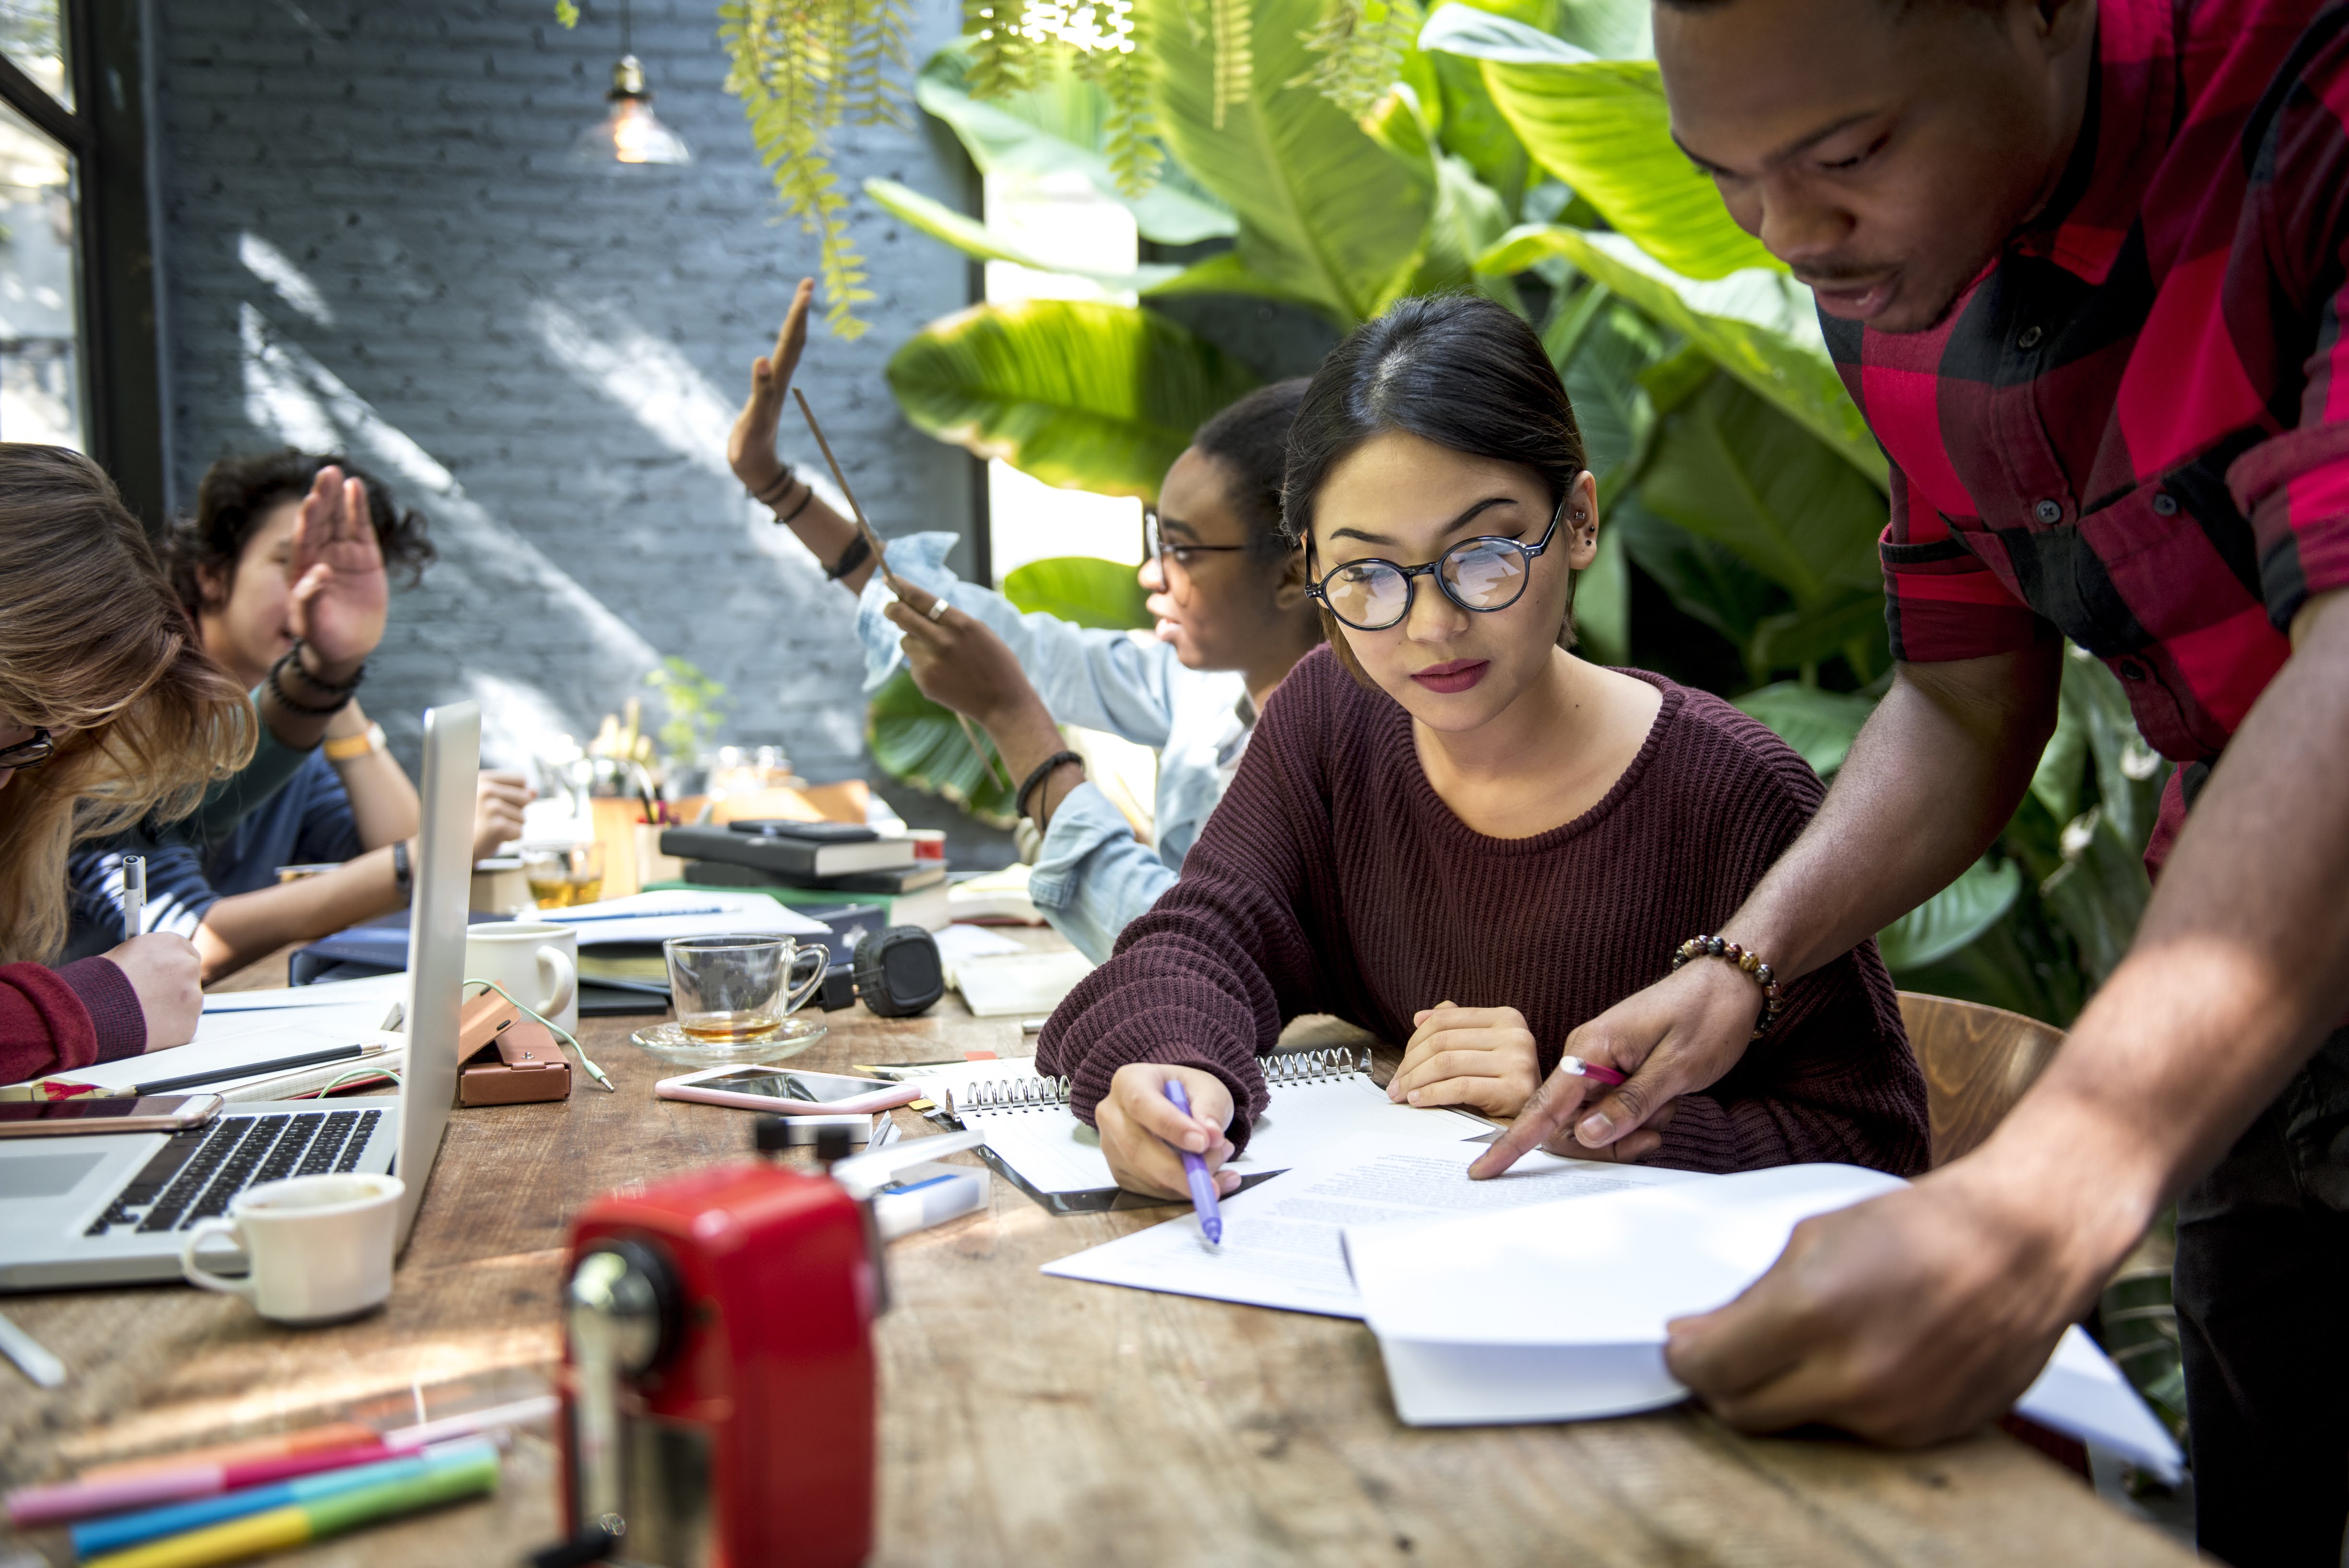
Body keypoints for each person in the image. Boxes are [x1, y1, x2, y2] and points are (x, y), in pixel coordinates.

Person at [1463, 1, 2349, 1559]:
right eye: (1723, 173)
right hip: (2237, 968)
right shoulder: (1891, 273)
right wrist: (1740, 960)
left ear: (2040, 16)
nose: (1787, 230)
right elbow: (1956, 698)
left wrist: (2045, 1190)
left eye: (1845, 155)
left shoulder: (2307, 95)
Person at [1029, 295, 1927, 1200]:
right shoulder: (1332, 716)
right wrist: (1174, 1073)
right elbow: (1201, 939)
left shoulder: (1729, 792)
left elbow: (1874, 1143)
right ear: (1311, 569)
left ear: (1577, 520)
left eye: (1485, 552)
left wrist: (1576, 1118)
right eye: (1367, 573)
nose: (1431, 624)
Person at [727, 279, 1324, 962]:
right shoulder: (1208, 692)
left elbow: (1190, 953)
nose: (1151, 574)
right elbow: (1002, 638)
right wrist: (776, 484)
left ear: (1289, 573)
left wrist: (1016, 721)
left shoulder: (1345, 758)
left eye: (1182, 550)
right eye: (1159, 542)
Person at [61, 452, 529, 983]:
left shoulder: (292, 729)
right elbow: (186, 938)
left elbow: (388, 857)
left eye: (343, 572)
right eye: (292, 564)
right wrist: (432, 852)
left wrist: (334, 677)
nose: (316, 591)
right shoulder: (120, 716)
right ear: (213, 575)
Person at [0, 445, 382, 1084]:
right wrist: (91, 1007)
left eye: (38, 742)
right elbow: (188, 906)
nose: (14, 774)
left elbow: (182, 798)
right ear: (211, 574)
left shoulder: (57, 763)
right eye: (19, 722)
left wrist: (328, 673)